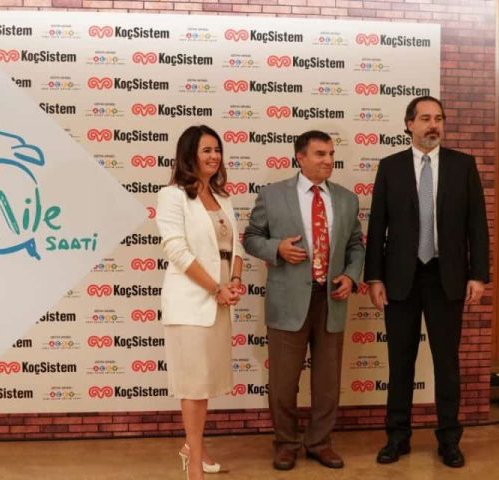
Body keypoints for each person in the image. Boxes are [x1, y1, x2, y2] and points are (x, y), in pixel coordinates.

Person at [364, 96, 490, 468]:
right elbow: (377, 226)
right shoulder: (390, 167)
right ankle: (397, 437)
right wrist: (374, 276)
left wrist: (478, 274)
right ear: (409, 124)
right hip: (400, 279)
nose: (433, 125)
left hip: (446, 278)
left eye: (438, 118)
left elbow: (477, 225)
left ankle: (449, 440)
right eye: (424, 118)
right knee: (400, 363)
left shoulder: (463, 166)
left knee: (446, 365)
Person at [243, 130, 365, 471]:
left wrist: (351, 276)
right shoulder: (272, 195)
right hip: (287, 302)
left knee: (327, 383)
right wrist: (276, 248)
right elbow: (251, 238)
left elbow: (356, 245)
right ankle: (285, 444)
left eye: (331, 154)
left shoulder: (346, 199)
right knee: (283, 383)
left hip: (331, 300)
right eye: (320, 154)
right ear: (300, 157)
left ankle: (320, 443)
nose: (328, 160)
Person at [156, 125, 244, 480]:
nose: (214, 156)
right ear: (189, 155)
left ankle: (193, 447)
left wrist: (234, 282)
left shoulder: (223, 197)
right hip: (190, 303)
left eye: (217, 150)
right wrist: (215, 288)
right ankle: (193, 462)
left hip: (219, 303)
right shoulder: (172, 195)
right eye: (206, 150)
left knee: (204, 384)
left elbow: (235, 248)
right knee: (193, 386)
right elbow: (176, 250)